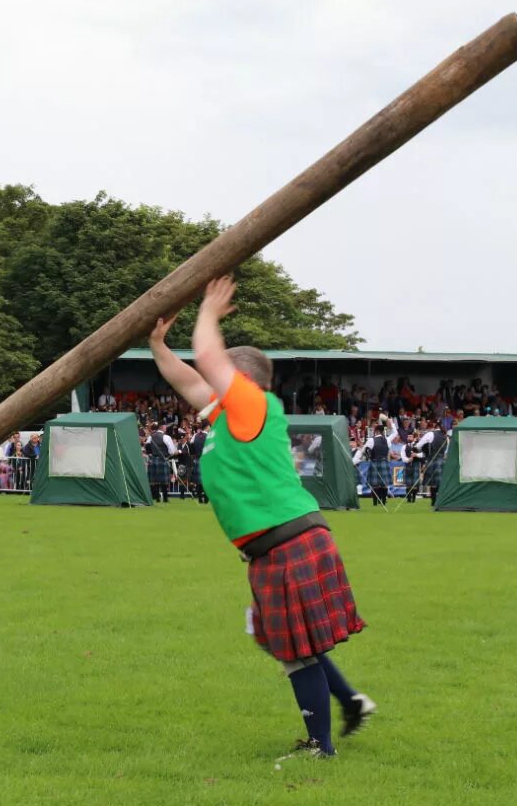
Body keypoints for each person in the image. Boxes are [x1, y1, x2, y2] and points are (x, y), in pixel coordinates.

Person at [149, 275, 373, 759]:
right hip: (279, 544)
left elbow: (207, 360)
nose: (209, 382)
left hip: (286, 542)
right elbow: (188, 378)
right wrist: (157, 344)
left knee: (292, 648)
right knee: (290, 643)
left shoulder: (253, 404)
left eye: (220, 377)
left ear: (239, 380)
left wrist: (208, 313)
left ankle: (320, 746)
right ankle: (350, 702)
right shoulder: (229, 418)